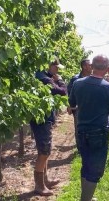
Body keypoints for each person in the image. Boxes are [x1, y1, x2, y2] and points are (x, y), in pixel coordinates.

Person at [68, 55, 109, 201]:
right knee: (95, 170)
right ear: (107, 68)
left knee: (86, 165)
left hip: (81, 130)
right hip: (99, 133)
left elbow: (72, 102)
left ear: (91, 66)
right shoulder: (108, 87)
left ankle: (86, 197)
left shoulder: (77, 83)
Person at [30, 58, 67, 196]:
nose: (58, 70)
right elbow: (63, 91)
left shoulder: (43, 76)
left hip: (43, 118)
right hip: (42, 120)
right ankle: (39, 186)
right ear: (49, 65)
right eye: (56, 67)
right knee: (44, 152)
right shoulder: (45, 79)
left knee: (45, 151)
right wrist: (60, 80)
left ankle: (45, 180)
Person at [67, 59, 92, 151]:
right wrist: (70, 105)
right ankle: (80, 149)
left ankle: (88, 147)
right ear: (84, 67)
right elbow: (69, 93)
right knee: (79, 128)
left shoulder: (93, 78)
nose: (92, 66)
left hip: (90, 107)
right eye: (90, 65)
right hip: (78, 107)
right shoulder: (75, 79)